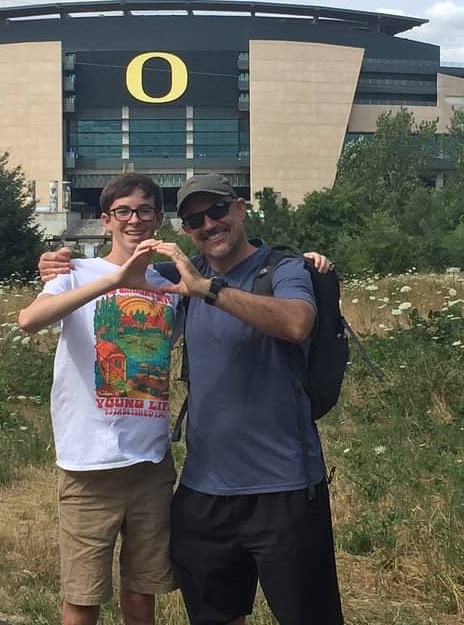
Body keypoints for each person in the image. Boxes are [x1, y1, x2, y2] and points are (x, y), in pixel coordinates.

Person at [148, 173, 344, 625]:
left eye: (217, 211)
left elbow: (298, 323)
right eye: (195, 219)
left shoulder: (282, 268)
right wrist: (59, 266)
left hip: (284, 490)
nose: (208, 224)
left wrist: (208, 290)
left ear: (239, 209)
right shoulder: (180, 277)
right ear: (185, 230)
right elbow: (118, 274)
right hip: (203, 492)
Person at [18, 173, 178, 625]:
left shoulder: (171, 283)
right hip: (89, 465)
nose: (134, 220)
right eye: (123, 211)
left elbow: (230, 269)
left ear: (158, 218)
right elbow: (29, 320)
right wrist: (114, 282)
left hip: (150, 463)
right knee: (83, 596)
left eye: (144, 210)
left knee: (143, 591)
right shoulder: (74, 273)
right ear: (106, 220)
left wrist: (303, 262)